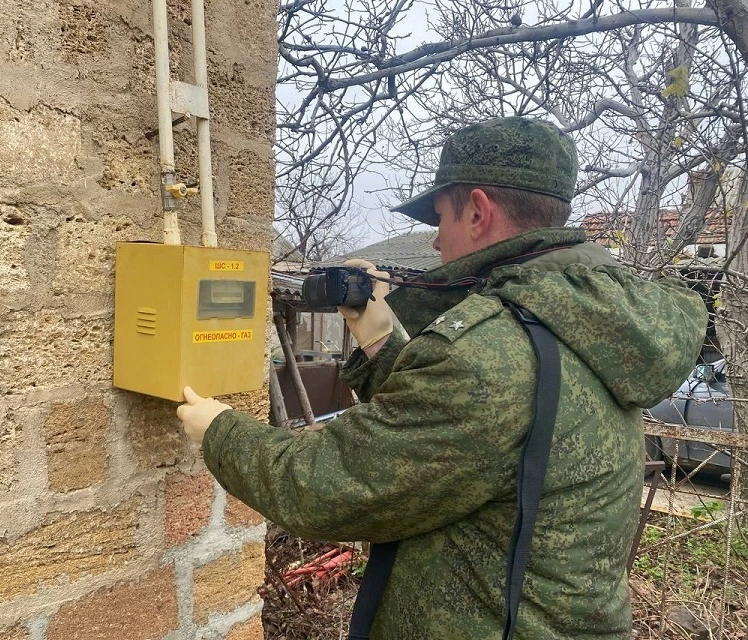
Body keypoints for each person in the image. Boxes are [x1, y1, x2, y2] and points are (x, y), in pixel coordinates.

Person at [177, 117, 708, 639]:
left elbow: (326, 487)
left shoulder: (490, 351)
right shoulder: (587, 316)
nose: (435, 244)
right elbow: (458, 436)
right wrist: (382, 339)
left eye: (439, 219)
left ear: (477, 210)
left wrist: (221, 430)